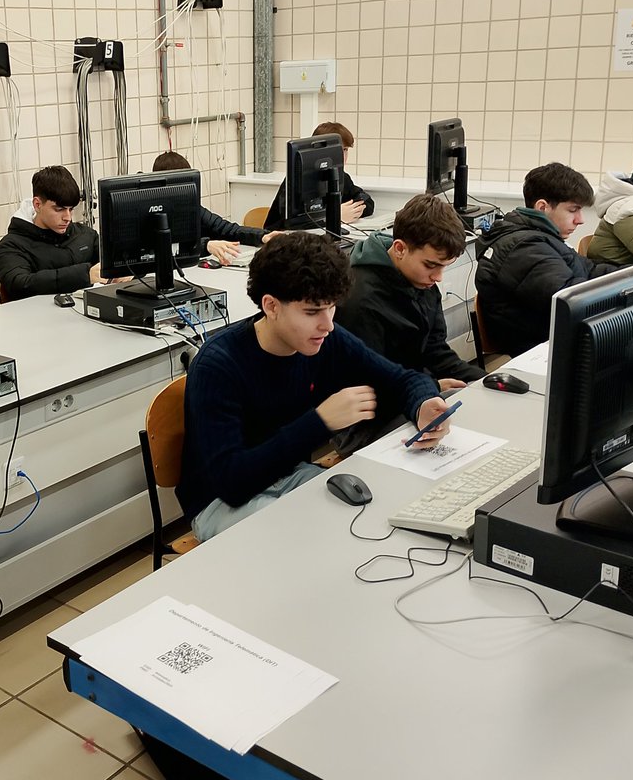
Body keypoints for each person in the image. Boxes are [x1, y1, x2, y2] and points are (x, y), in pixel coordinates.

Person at [177, 232, 450, 542]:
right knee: (302, 542)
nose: (328, 324)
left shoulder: (325, 339)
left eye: (331, 308)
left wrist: (424, 404)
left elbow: (403, 379)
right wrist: (321, 421)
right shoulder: (218, 365)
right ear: (271, 306)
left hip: (289, 476)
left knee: (371, 518)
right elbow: (232, 481)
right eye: (312, 312)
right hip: (219, 500)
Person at [474, 163, 633, 358]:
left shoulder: (542, 238)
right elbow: (573, 299)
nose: (580, 220)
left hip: (563, 340)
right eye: (573, 210)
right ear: (543, 207)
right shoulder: (524, 248)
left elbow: (591, 271)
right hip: (543, 350)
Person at [338, 194, 484, 389]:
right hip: (382, 409)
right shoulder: (360, 300)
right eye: (431, 265)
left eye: (444, 267)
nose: (438, 277)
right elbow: (368, 381)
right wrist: (431, 387)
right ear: (399, 249)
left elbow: (436, 352)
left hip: (414, 391)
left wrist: (485, 380)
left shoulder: (422, 281)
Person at [0, 165, 117, 300]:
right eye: (59, 209)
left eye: (71, 209)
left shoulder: (85, 235)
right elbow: (20, 285)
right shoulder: (11, 246)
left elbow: (116, 259)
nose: (67, 218)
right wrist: (84, 275)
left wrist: (124, 272)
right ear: (37, 204)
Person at [151, 150, 281, 265]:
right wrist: (205, 246)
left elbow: (226, 229)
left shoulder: (191, 208)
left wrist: (262, 236)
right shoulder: (150, 213)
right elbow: (161, 249)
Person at [312, 122, 375, 223]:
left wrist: (350, 209)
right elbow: (287, 223)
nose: (342, 156)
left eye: (345, 150)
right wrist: (335, 215)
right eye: (337, 150)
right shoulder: (299, 180)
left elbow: (366, 201)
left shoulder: (341, 177)